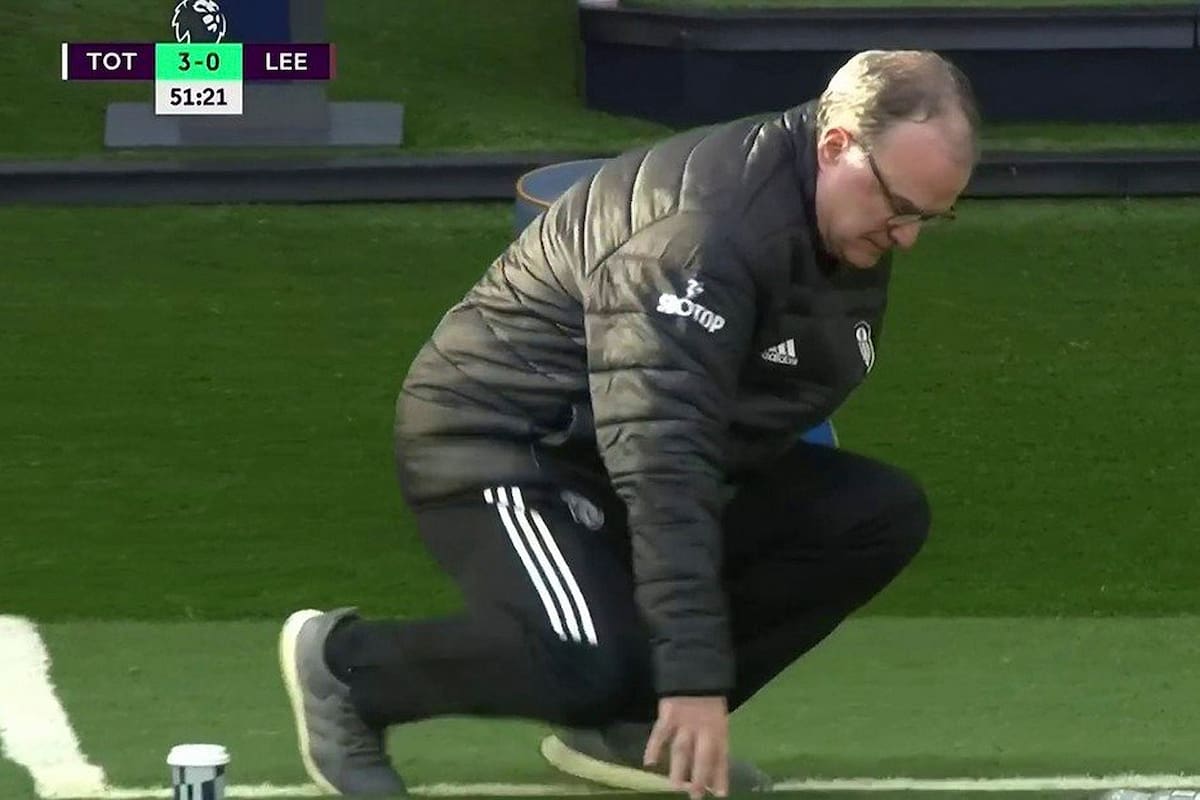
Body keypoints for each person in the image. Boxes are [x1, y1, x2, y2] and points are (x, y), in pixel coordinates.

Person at [279, 49, 980, 798]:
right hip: (508, 442)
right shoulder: (703, 235)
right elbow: (663, 456)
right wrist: (693, 676)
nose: (907, 236)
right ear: (836, 145)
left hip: (626, 448)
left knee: (872, 514)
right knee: (582, 657)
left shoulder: (839, 215)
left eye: (931, 218)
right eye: (900, 206)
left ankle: (631, 724)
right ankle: (348, 671)